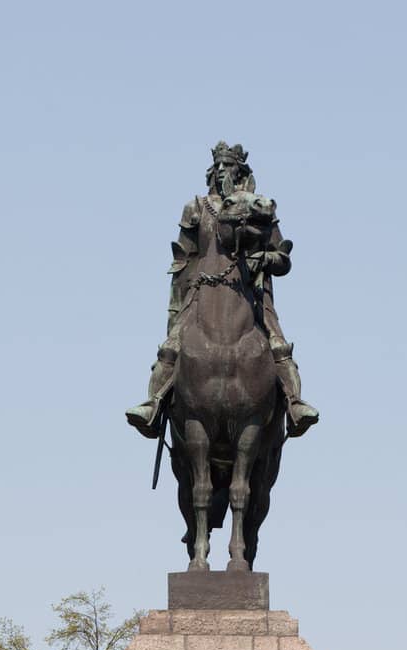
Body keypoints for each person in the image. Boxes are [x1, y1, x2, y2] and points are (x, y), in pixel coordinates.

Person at [126, 142, 318, 436]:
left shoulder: (257, 207)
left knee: (278, 344)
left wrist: (264, 258)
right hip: (202, 291)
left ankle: (294, 404)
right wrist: (177, 306)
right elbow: (183, 258)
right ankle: (153, 403)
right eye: (217, 166)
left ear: (239, 171)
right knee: (171, 346)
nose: (220, 171)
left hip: (251, 291)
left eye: (227, 166)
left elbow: (282, 257)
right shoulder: (196, 208)